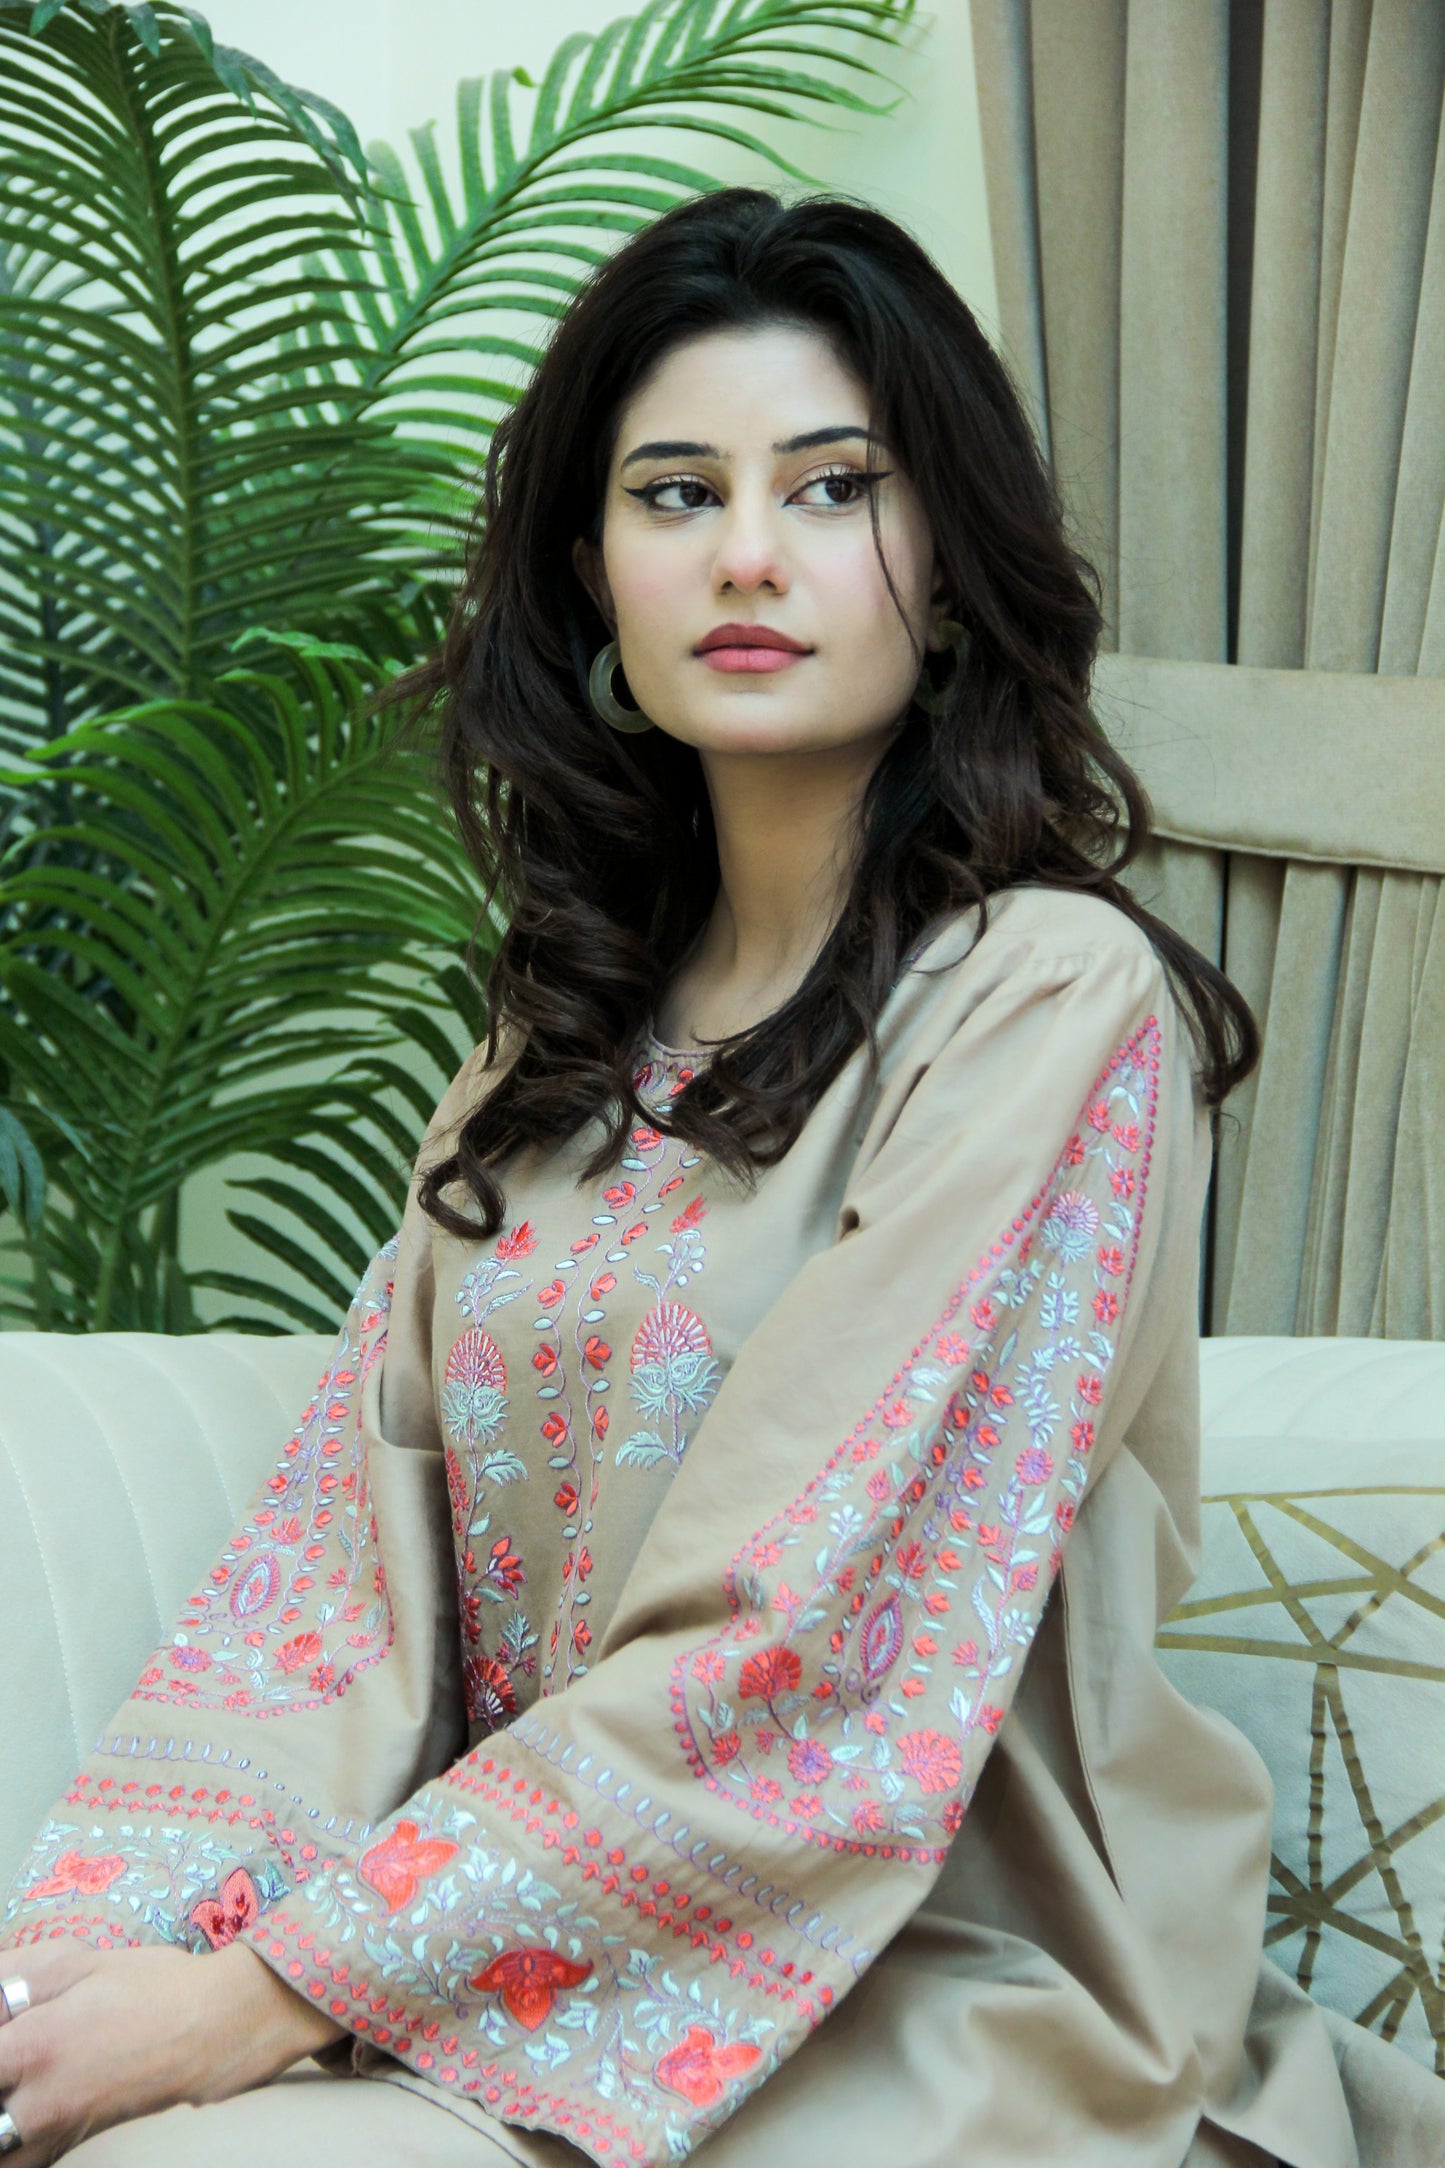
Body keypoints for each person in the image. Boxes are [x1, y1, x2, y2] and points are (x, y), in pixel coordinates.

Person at [0, 187, 1440, 2168]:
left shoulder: (1045, 999)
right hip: (515, 1945)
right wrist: (114, 1953)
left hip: (951, 1987)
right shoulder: (550, 1038)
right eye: (675, 493)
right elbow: (338, 1581)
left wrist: (265, 1993)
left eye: (835, 486)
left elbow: (808, 1642)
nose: (749, 553)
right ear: (593, 573)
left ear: (943, 566)